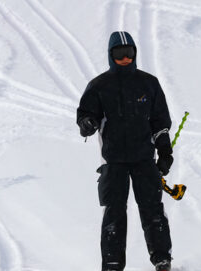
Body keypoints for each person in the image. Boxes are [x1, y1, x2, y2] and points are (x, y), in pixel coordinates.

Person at [77, 31, 174, 271]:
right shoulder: (100, 85)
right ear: (111, 57)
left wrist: (164, 152)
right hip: (114, 161)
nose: (125, 59)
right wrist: (87, 123)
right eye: (119, 55)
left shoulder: (148, 83)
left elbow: (160, 122)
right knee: (114, 214)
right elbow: (85, 114)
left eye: (129, 54)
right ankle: (112, 264)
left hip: (144, 158)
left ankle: (162, 259)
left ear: (135, 54)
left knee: (153, 210)